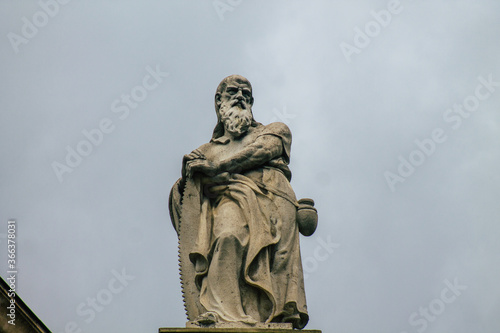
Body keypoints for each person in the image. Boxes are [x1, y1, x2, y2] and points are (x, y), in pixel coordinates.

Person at [169, 75, 308, 329]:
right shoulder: (206, 150)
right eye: (232, 91)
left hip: (276, 204)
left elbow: (263, 150)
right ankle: (222, 314)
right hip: (231, 202)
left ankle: (272, 317)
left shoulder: (273, 130)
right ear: (218, 102)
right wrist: (184, 184)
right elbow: (186, 198)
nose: (240, 97)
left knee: (279, 267)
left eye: (246, 93)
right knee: (227, 237)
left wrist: (217, 167)